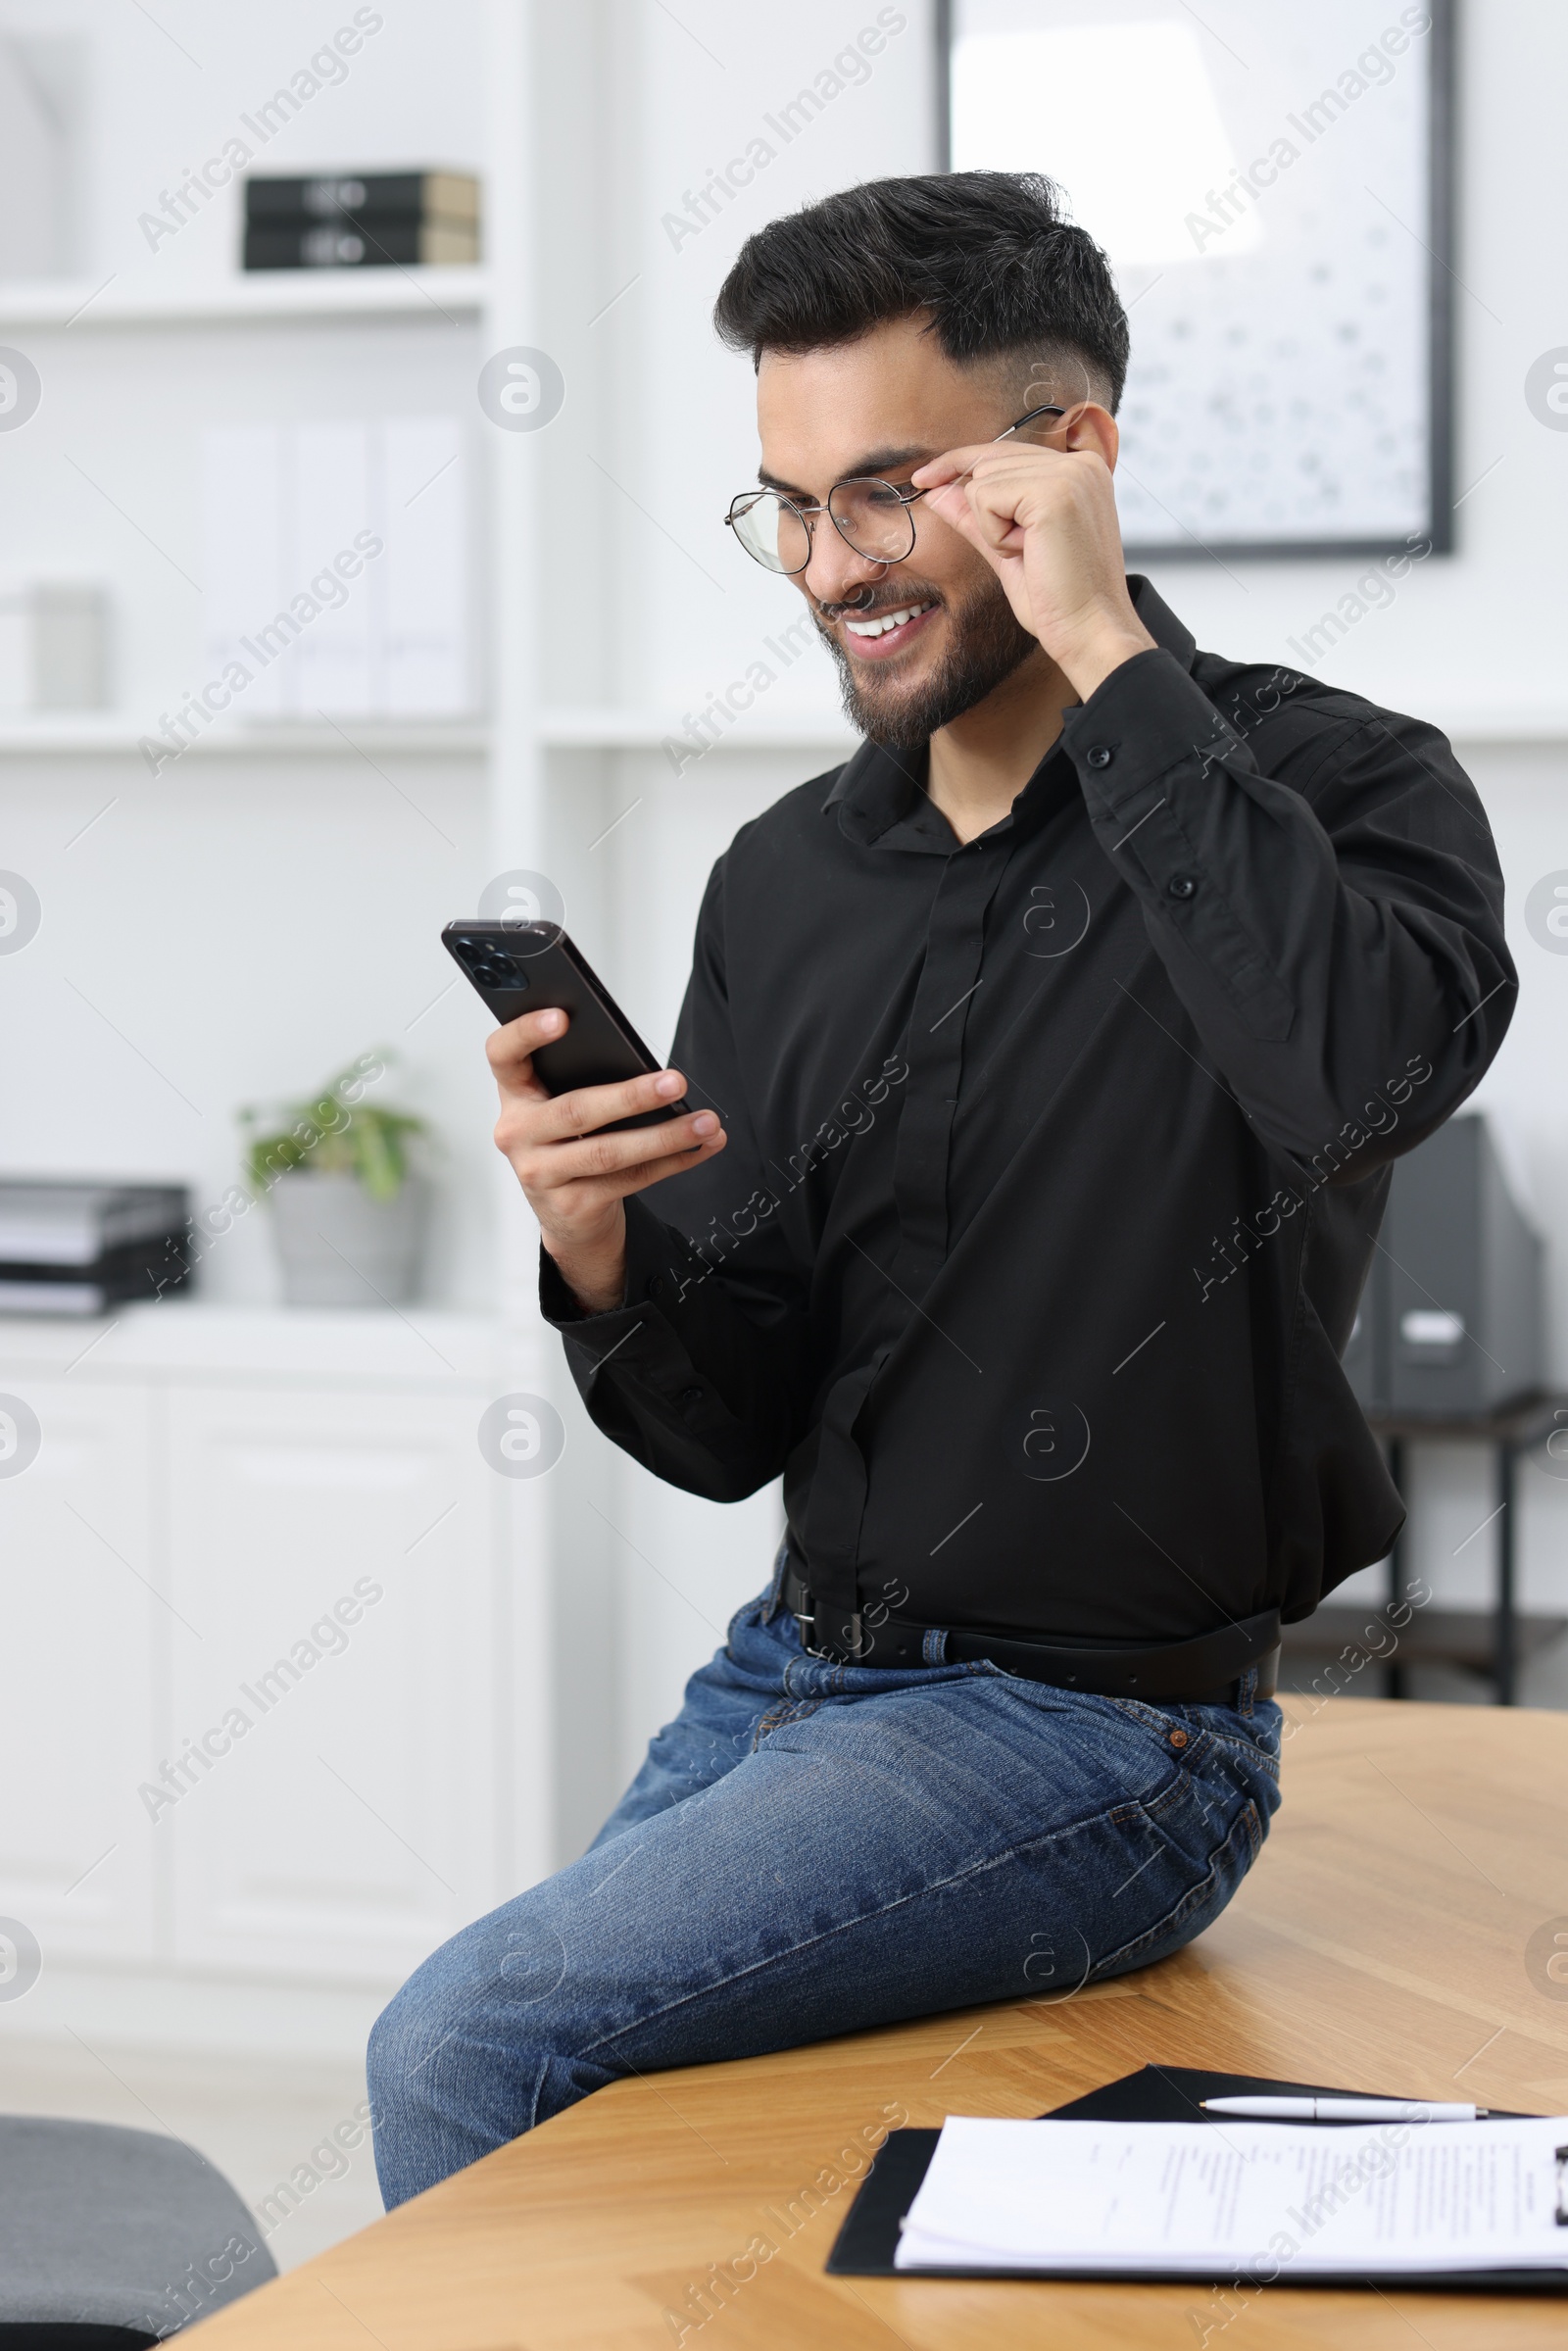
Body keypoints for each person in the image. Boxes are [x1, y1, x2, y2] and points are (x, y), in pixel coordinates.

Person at [368, 171, 1513, 2207]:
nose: (828, 566)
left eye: (884, 489)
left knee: (468, 2041)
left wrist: (1093, 638)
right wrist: (600, 1243)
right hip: (792, 1671)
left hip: (1101, 1741)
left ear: (1065, 455)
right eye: (788, 505)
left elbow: (1351, 1086)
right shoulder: (788, 880)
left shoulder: (1342, 788)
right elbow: (732, 1425)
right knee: (557, 2138)